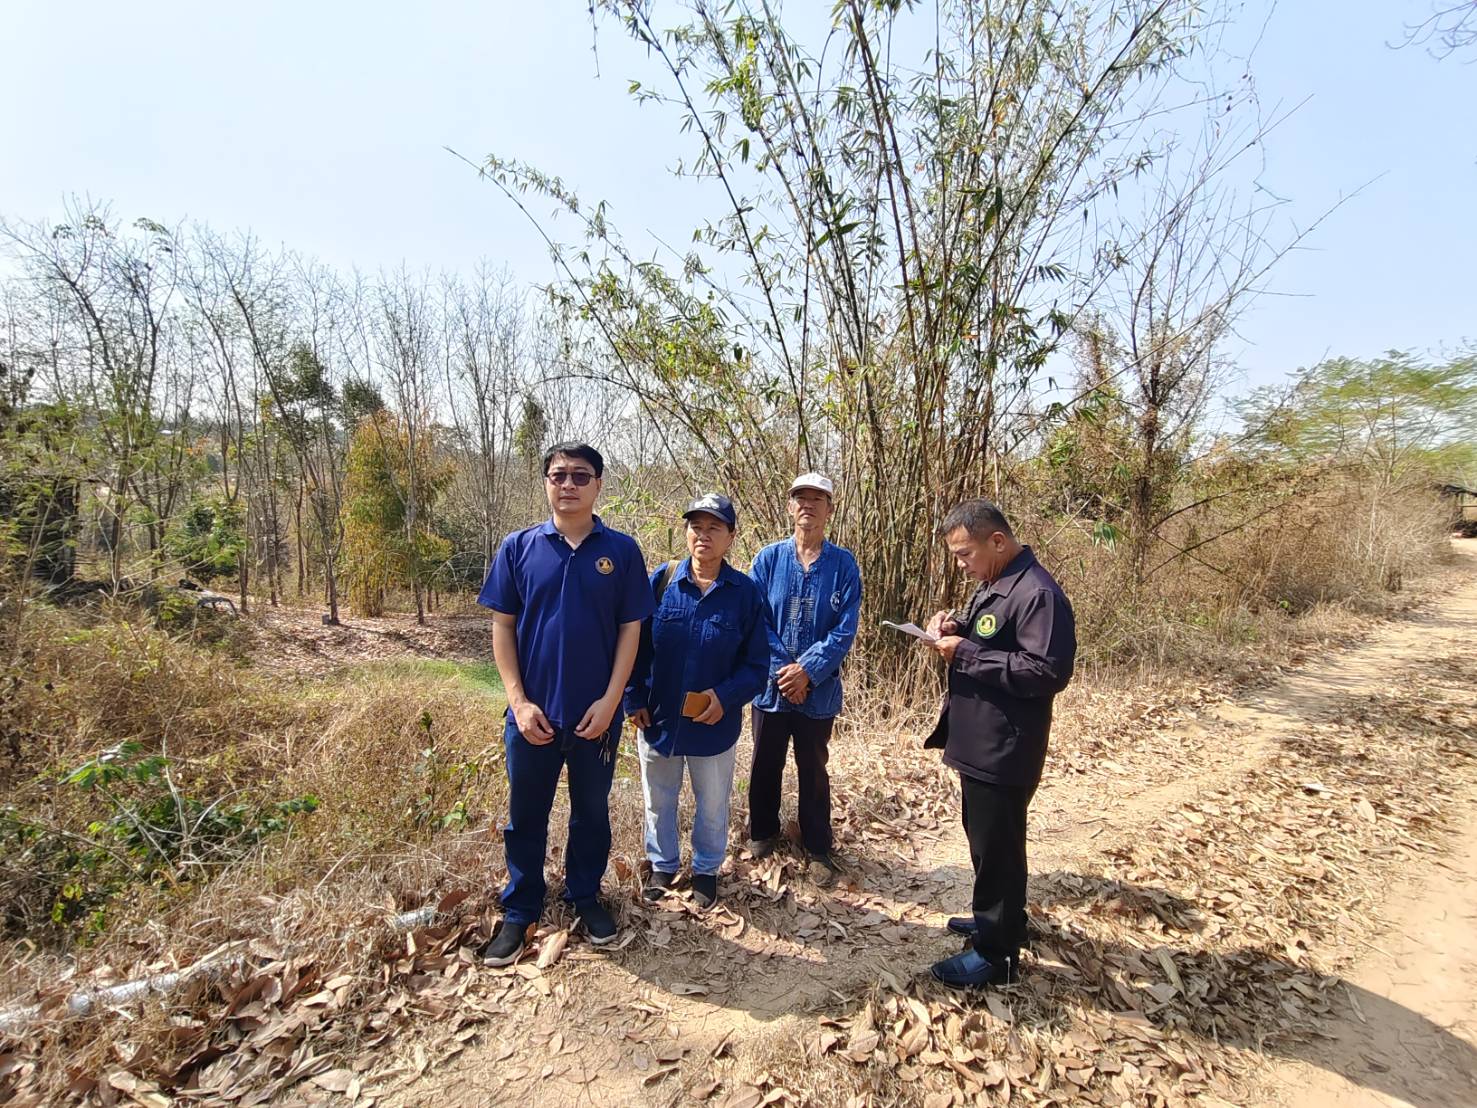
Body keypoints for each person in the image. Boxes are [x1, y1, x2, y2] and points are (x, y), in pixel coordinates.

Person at [475, 442, 654, 966]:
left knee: (591, 814)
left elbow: (631, 630)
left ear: (599, 484)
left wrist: (612, 700)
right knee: (524, 816)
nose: (569, 484)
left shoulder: (621, 552)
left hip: (595, 716)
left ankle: (585, 896)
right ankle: (520, 908)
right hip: (532, 717)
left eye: (580, 475)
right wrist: (518, 702)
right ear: (546, 483)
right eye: (559, 475)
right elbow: (502, 627)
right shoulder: (519, 548)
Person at [920, 498, 1076, 988]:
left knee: (999, 848)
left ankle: (997, 954)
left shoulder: (1038, 594)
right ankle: (999, 921)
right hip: (980, 739)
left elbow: (1046, 671)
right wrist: (955, 628)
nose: (961, 566)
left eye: (965, 554)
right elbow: (990, 636)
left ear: (998, 541)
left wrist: (965, 653)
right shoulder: (996, 584)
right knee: (987, 842)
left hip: (1006, 745)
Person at [624, 494, 768, 909]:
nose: (703, 535)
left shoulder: (745, 594)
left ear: (731, 537)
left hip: (713, 724)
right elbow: (635, 646)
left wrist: (725, 697)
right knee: (658, 800)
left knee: (712, 804)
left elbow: (757, 665)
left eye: (714, 528)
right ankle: (663, 865)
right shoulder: (662, 581)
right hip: (659, 719)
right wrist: (633, 697)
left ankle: (706, 870)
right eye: (696, 527)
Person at [746, 472, 862, 886]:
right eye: (801, 498)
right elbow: (755, 619)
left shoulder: (843, 565)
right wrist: (786, 672)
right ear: (790, 506)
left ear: (830, 509)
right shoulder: (768, 560)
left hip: (819, 690)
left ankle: (817, 846)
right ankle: (762, 832)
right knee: (765, 762)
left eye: (818, 498)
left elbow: (844, 630)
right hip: (772, 687)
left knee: (813, 767)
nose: (808, 505)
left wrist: (808, 671)